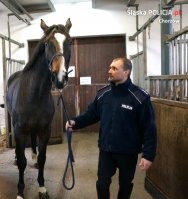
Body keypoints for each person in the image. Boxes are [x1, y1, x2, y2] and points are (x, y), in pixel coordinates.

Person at [66, 57, 157, 199]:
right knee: (102, 184)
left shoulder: (140, 97)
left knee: (126, 185)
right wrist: (75, 122)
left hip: (128, 152)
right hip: (106, 150)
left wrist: (148, 155)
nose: (109, 71)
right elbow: (91, 114)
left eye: (114, 68)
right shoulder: (103, 94)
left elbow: (149, 127)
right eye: (110, 67)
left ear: (126, 72)